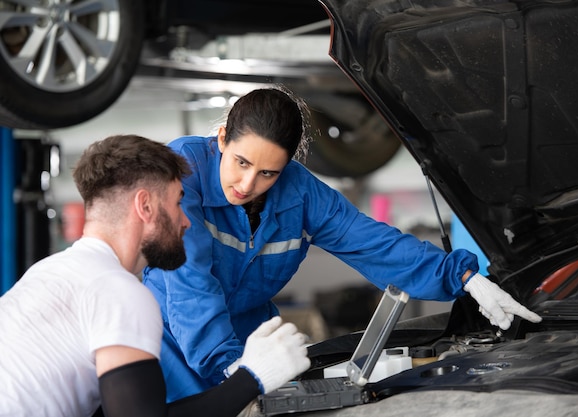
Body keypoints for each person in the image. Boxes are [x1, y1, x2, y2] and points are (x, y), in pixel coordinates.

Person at [142, 87, 542, 402]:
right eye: (241, 163)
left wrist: (464, 276)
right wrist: (231, 369)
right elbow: (188, 278)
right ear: (223, 137)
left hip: (251, 347)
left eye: (268, 173)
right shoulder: (181, 171)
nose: (248, 185)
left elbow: (371, 242)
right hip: (165, 346)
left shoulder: (300, 193)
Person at [0, 134, 310, 417]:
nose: (186, 221)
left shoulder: (48, 274)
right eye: (177, 203)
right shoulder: (117, 291)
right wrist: (253, 377)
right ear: (145, 206)